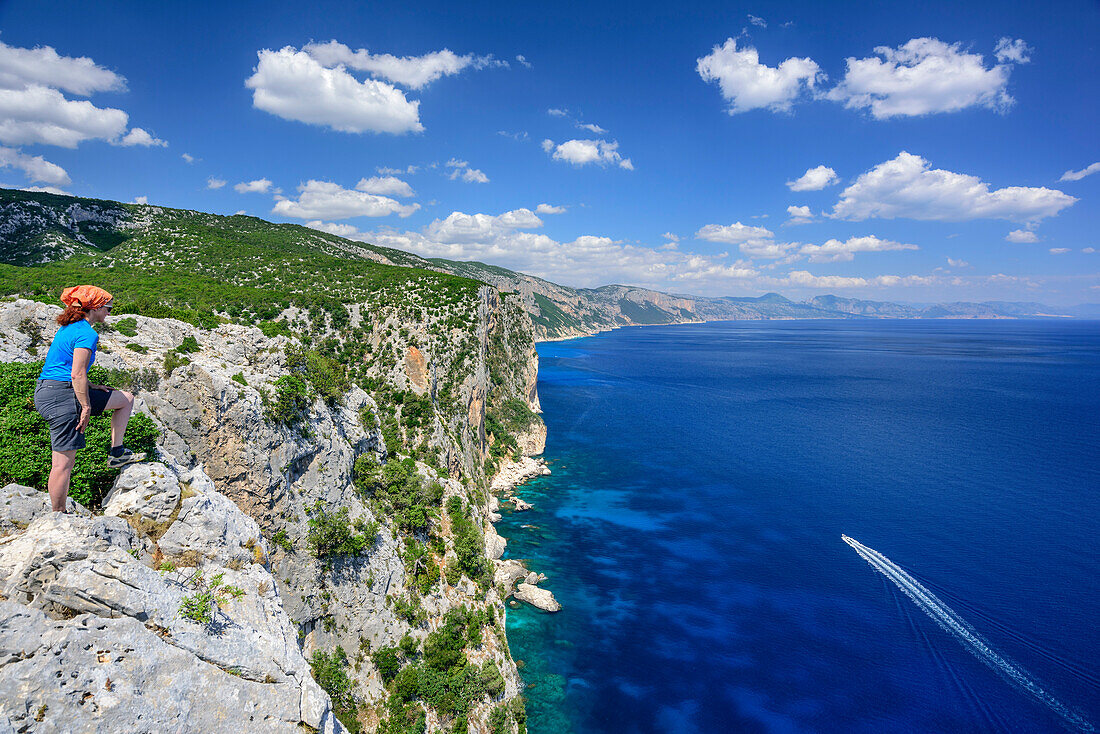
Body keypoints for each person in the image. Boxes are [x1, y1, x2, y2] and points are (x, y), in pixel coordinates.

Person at [33, 285, 145, 512]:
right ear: (95, 307)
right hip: (63, 396)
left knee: (125, 399)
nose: (109, 313)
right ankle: (58, 515)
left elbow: (64, 366)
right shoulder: (87, 333)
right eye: (108, 308)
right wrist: (85, 406)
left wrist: (92, 386)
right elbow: (76, 373)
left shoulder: (69, 327)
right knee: (63, 464)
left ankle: (117, 452)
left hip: (48, 390)